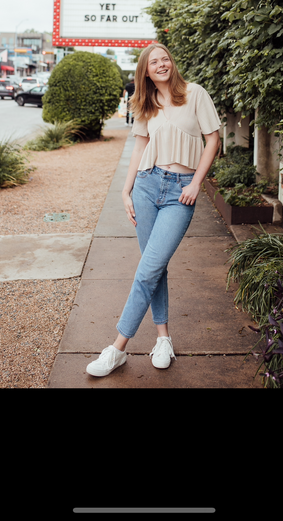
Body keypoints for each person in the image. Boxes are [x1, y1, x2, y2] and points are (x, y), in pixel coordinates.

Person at [86, 42, 221, 377]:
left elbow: (213, 139)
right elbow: (140, 146)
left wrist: (196, 183)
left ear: (171, 64)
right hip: (147, 186)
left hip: (181, 192)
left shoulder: (195, 94)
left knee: (148, 269)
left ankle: (117, 348)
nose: (161, 65)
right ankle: (163, 339)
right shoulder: (145, 102)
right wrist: (126, 188)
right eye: (154, 62)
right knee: (152, 266)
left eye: (165, 59)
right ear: (145, 71)